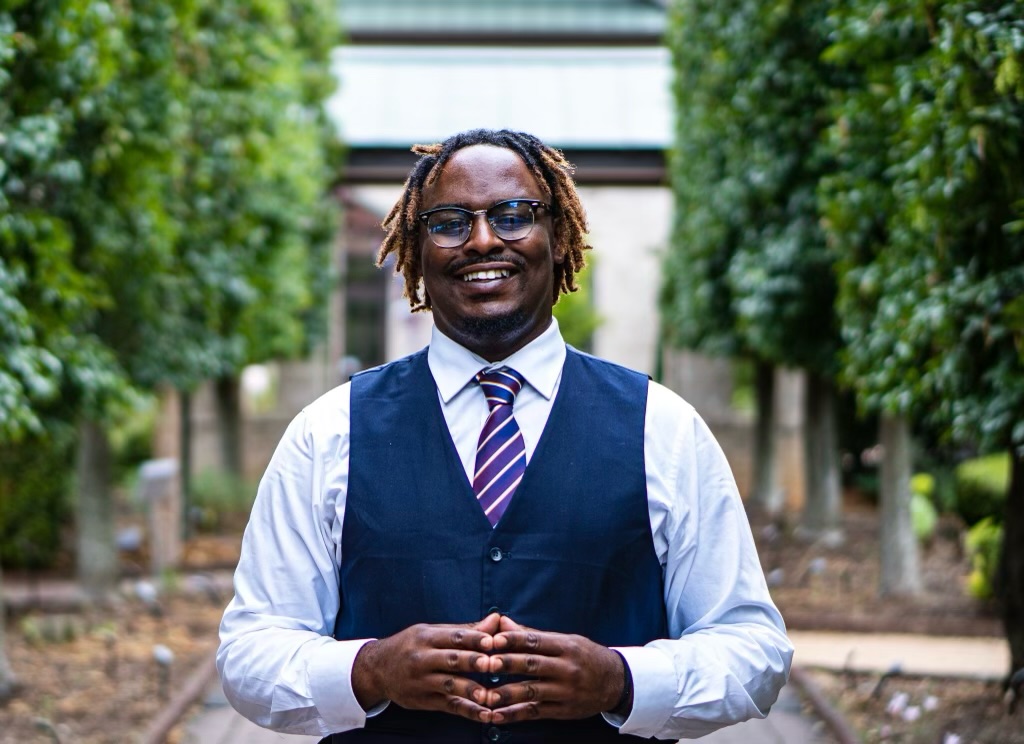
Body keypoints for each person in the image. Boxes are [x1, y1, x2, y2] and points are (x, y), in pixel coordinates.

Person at [218, 128, 793, 742]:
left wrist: (622, 680)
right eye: (449, 222)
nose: (484, 239)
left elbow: (753, 649)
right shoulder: (329, 432)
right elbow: (251, 651)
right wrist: (367, 670)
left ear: (559, 235)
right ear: (417, 247)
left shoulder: (664, 427)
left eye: (514, 215)